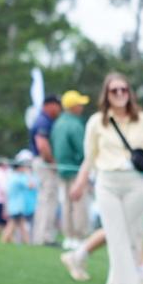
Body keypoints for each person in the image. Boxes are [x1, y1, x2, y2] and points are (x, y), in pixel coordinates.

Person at [69, 73, 143, 284]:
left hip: (135, 183)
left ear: (129, 93)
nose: (119, 94)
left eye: (123, 90)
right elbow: (90, 156)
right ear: (106, 95)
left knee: (130, 237)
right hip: (107, 181)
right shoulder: (97, 122)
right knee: (116, 237)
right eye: (114, 90)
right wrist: (79, 182)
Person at [51, 90, 92, 246]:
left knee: (67, 204)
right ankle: (79, 236)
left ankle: (69, 237)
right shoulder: (75, 124)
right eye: (79, 104)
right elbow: (84, 150)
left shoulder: (58, 123)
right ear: (74, 106)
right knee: (79, 204)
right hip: (76, 170)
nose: (81, 107)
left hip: (61, 170)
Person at [29, 94, 62, 246]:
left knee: (46, 199)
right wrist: (52, 162)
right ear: (50, 105)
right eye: (58, 105)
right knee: (48, 199)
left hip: (42, 162)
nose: (59, 109)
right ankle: (44, 237)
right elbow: (42, 145)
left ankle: (42, 236)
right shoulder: (44, 120)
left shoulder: (44, 119)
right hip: (44, 163)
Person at [5, 151, 37, 244]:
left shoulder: (12, 176)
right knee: (11, 227)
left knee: (21, 226)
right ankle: (4, 241)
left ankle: (28, 244)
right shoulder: (18, 178)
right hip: (17, 207)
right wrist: (28, 174)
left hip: (14, 206)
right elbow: (31, 185)